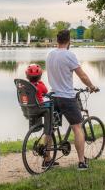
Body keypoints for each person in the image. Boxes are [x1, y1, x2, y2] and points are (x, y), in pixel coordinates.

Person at [45, 29, 98, 171]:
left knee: (49, 129)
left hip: (53, 96)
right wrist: (91, 86)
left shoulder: (50, 55)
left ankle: (47, 159)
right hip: (67, 98)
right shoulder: (69, 55)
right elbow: (83, 76)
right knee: (78, 128)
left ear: (57, 40)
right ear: (69, 41)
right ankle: (81, 162)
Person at [24, 64, 56, 168]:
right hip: (41, 109)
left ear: (27, 76)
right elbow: (46, 92)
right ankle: (48, 129)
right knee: (50, 107)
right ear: (40, 75)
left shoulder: (25, 86)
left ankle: (47, 158)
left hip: (30, 109)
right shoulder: (40, 85)